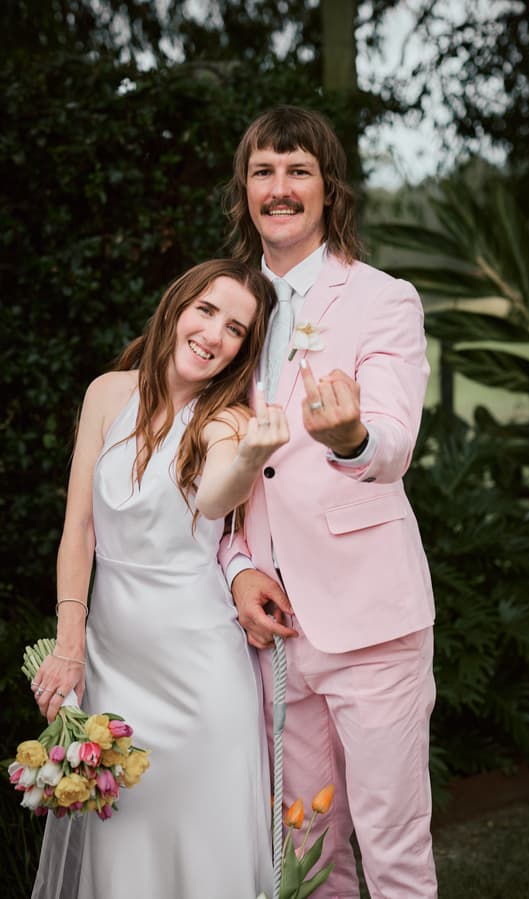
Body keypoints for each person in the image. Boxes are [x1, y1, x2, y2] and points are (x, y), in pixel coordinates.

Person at [218, 106, 438, 899]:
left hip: (372, 623)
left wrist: (348, 437)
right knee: (306, 852)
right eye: (263, 171)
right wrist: (239, 566)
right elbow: (210, 471)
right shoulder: (227, 309)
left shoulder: (382, 299)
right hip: (274, 634)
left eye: (297, 170)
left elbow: (392, 441)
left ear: (327, 188)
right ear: (245, 189)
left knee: (393, 844)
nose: (280, 189)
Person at [29, 259, 289, 899]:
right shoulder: (106, 394)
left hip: (202, 677)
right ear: (176, 308)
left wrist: (252, 459)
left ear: (242, 351)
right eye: (206, 310)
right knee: (126, 852)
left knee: (206, 853)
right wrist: (69, 649)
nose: (213, 334)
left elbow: (213, 499)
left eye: (235, 329)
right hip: (116, 670)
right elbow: (80, 530)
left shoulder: (225, 420)